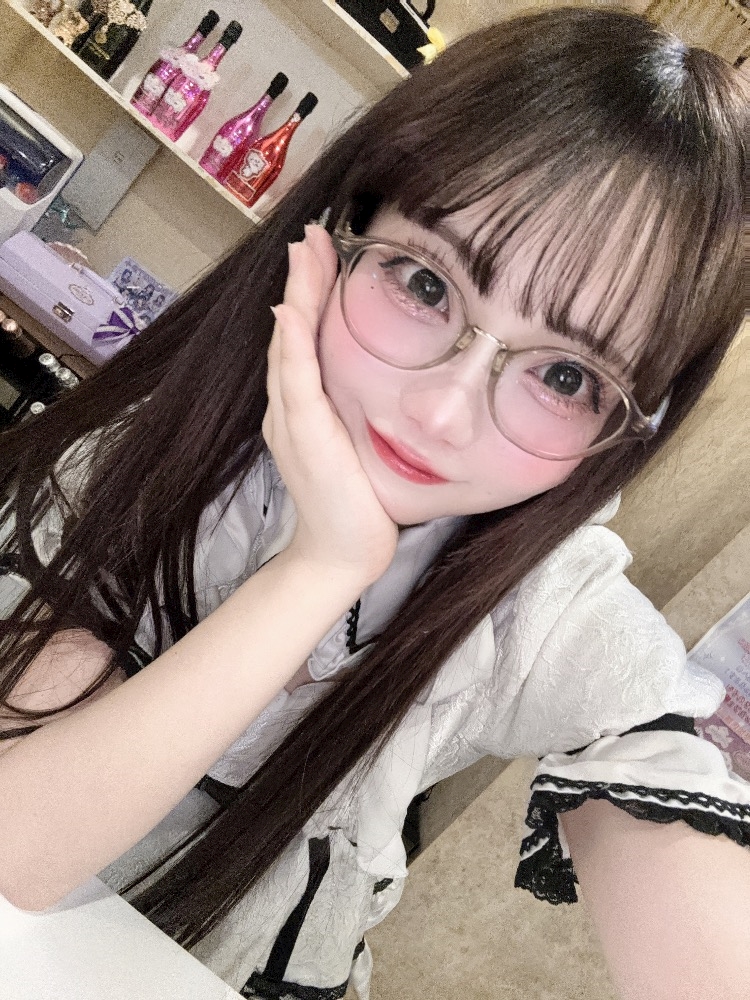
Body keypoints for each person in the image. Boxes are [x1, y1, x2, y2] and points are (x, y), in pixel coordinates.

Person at [1, 7, 749, 998]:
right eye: (424, 284)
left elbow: (656, 768)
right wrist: (323, 566)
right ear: (337, 231)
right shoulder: (165, 451)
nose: (441, 411)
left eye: (565, 377)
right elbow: (15, 856)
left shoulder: (541, 608)